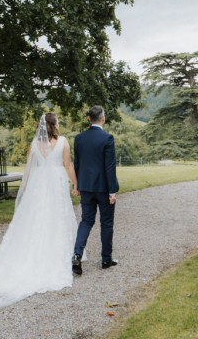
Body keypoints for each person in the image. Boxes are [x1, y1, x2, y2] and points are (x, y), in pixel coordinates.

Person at [0, 113, 79, 309]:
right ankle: (58, 253)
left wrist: (25, 189)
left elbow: (29, 170)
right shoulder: (63, 142)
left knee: (36, 219)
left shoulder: (35, 144)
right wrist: (76, 183)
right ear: (54, 125)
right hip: (56, 181)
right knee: (57, 216)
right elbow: (67, 165)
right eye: (58, 121)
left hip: (39, 183)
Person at [72, 105, 119, 275]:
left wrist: (76, 185)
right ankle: (106, 259)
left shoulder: (79, 139)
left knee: (86, 221)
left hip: (85, 188)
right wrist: (112, 192)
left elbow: (76, 164)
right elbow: (110, 167)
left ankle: (77, 254)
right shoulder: (107, 138)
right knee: (106, 223)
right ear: (103, 118)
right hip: (104, 189)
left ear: (88, 119)